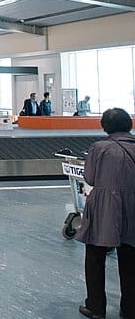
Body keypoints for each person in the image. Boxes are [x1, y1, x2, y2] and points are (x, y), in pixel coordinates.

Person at [75, 108, 135, 319]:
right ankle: (130, 308)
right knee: (130, 259)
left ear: (105, 126)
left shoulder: (100, 148)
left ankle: (96, 306)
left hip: (104, 207)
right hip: (132, 206)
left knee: (95, 257)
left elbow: (90, 178)